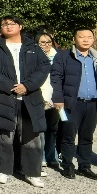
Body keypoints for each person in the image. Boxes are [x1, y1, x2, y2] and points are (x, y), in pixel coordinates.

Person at [0, 15, 50, 187]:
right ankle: (3, 170)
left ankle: (32, 172)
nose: (8, 26)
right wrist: (11, 86)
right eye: (4, 24)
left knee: (31, 137)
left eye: (12, 23)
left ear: (20, 26)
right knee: (4, 136)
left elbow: (43, 68)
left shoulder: (33, 47)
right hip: (5, 97)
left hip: (30, 97)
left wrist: (27, 86)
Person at [51, 26, 97, 181]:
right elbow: (56, 78)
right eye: (82, 37)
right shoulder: (63, 56)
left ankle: (85, 166)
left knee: (87, 136)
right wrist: (58, 99)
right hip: (70, 104)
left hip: (92, 104)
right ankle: (67, 165)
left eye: (89, 37)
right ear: (74, 39)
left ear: (93, 39)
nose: (86, 40)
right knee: (68, 135)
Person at [37, 32, 62, 173]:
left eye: (48, 42)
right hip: (39, 96)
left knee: (53, 128)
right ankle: (40, 157)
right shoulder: (33, 56)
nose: (46, 45)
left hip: (55, 97)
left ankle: (52, 156)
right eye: (42, 42)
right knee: (40, 128)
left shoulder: (58, 57)